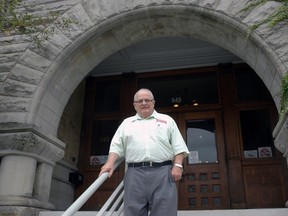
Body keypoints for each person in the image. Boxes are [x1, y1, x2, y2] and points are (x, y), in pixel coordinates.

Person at [99, 88, 189, 216]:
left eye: (147, 100)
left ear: (153, 102)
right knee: (133, 212)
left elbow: (178, 146)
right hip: (135, 174)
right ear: (134, 105)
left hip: (163, 172)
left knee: (165, 212)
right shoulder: (127, 123)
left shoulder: (167, 120)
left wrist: (178, 166)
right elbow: (116, 147)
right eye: (140, 100)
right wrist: (109, 164)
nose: (144, 103)